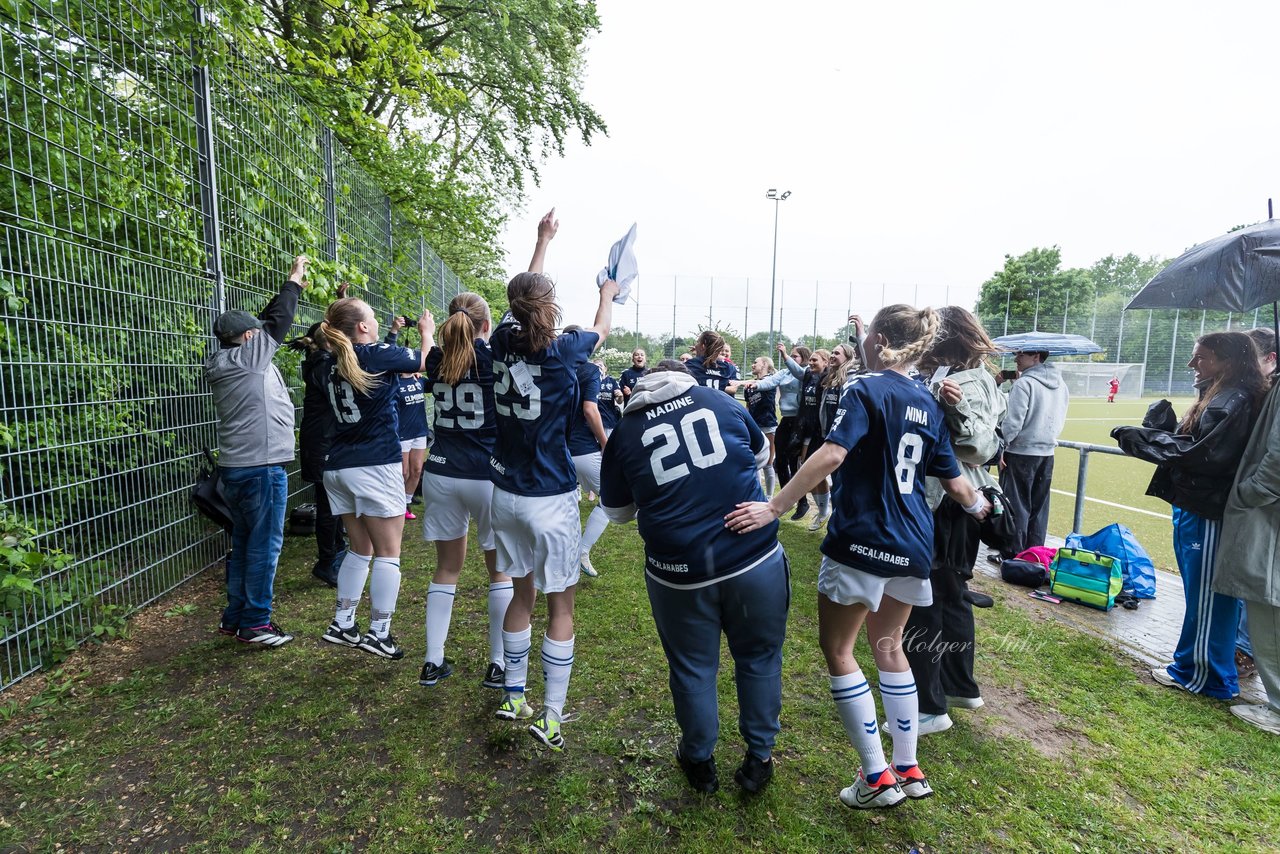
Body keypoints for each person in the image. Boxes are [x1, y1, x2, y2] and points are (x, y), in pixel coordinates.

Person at [726, 304, 990, 810]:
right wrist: (981, 507)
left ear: (881, 339)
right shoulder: (927, 400)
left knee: (840, 650)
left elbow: (831, 454)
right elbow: (956, 481)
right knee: (890, 648)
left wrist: (775, 506)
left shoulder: (864, 388)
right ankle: (907, 766)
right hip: (914, 543)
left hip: (863, 541)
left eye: (869, 333)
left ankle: (876, 776)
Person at [601, 360, 788, 795]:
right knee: (759, 658)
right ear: (684, 378)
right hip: (752, 557)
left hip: (679, 571)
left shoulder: (626, 432)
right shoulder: (719, 400)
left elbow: (617, 513)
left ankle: (700, 760)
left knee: (692, 669)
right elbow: (762, 454)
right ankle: (759, 757)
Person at [489, 209, 618, 750]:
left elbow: (520, 296)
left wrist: (540, 242)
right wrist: (608, 292)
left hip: (506, 494)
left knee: (521, 595)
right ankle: (553, 715)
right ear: (550, 307)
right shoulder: (566, 350)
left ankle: (514, 694)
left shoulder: (499, 339)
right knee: (560, 605)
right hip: (549, 494)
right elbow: (602, 327)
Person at [1113, 331, 1267, 698]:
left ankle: (1203, 675)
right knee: (1206, 593)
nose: (1192, 364)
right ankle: (1199, 667)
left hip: (1207, 510)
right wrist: (1164, 429)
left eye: (1202, 357)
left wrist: (1144, 438)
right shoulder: (1224, 396)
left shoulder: (1233, 399)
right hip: (1198, 506)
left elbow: (1205, 456)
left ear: (1227, 362)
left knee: (1209, 595)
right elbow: (1199, 447)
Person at [902, 307, 1005, 735]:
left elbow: (981, 447)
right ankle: (958, 687)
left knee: (928, 600)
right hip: (941, 502)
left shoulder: (971, 380)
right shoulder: (945, 372)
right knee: (947, 595)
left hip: (949, 505)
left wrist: (955, 409)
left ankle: (930, 706)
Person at [318, 297, 433, 660]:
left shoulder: (329, 361)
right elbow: (427, 363)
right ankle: (379, 632)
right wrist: (427, 333)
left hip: (338, 465)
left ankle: (343, 621)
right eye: (370, 316)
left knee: (359, 548)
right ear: (363, 327)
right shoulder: (370, 354)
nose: (376, 321)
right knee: (388, 552)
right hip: (373, 464)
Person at [205, 255, 308, 647]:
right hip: (260, 469)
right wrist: (293, 282)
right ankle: (256, 624)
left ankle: (235, 617)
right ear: (249, 337)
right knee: (265, 544)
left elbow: (264, 322)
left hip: (238, 468)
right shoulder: (249, 359)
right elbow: (277, 321)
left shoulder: (227, 358)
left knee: (246, 542)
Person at [417, 291, 512, 689]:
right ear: (485, 327)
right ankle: (498, 663)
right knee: (501, 573)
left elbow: (428, 361)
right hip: (486, 475)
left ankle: (432, 660)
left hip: (440, 473)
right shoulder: (492, 359)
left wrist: (425, 334)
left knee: (446, 569)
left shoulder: (438, 359)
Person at [1214, 328, 1280, 733]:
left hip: (1267, 516)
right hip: (1266, 513)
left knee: (1268, 614)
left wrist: (1249, 492)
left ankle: (1277, 707)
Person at [1234, 328, 1280, 679]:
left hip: (1265, 508)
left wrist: (1249, 491)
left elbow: (1275, 460)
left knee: (1264, 593)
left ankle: (1248, 654)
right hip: (1258, 507)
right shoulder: (1261, 391)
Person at [995, 349, 1069, 559]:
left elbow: (1012, 423)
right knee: (1039, 507)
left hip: (1020, 452)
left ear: (1036, 356)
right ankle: (1035, 554)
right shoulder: (1061, 384)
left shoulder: (1024, 384)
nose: (1016, 359)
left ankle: (1012, 554)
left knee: (1015, 506)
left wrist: (1001, 446)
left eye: (1021, 355)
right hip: (1047, 453)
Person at [290, 315, 346, 589]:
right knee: (328, 506)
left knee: (334, 503)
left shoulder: (321, 361)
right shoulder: (323, 365)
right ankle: (327, 562)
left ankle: (338, 551)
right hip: (321, 443)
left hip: (325, 441)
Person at [564, 327, 611, 579]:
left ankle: (565, 554)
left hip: (555, 448)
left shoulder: (553, 366)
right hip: (582, 448)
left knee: (566, 503)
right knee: (609, 500)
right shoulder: (589, 369)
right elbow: (590, 410)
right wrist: (605, 442)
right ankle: (581, 551)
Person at [747, 344, 811, 515]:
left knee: (793, 462)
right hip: (786, 419)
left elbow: (798, 372)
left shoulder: (807, 373)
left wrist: (784, 356)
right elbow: (770, 381)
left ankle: (803, 502)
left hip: (800, 421)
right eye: (791, 356)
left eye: (795, 356)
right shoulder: (784, 373)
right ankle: (786, 501)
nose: (791, 358)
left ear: (803, 358)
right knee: (779, 461)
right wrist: (756, 385)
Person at [385, 316, 431, 520]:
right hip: (401, 434)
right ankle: (394, 504)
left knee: (417, 470)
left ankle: (406, 504)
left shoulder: (420, 380)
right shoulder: (393, 383)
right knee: (402, 472)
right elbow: (386, 350)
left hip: (420, 431)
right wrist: (394, 330)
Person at [809, 343, 858, 532]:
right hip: (828, 435)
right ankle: (836, 521)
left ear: (847, 357)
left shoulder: (851, 379)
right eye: (832, 352)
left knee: (842, 484)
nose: (832, 355)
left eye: (837, 353)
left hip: (843, 441)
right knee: (836, 482)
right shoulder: (830, 378)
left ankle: (842, 524)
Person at [743, 356, 779, 494]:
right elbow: (748, 406)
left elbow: (766, 383)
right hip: (753, 427)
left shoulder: (770, 380)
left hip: (767, 425)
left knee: (768, 464)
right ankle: (756, 493)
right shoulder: (749, 386)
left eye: (755, 362)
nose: (753, 365)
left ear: (764, 364)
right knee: (754, 462)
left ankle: (769, 496)